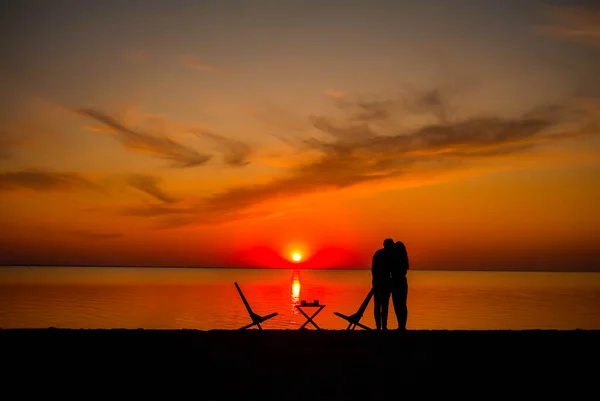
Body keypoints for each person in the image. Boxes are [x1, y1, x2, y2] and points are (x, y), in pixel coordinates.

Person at [371, 238, 395, 330]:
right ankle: (381, 326)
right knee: (380, 305)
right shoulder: (385, 255)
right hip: (381, 283)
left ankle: (381, 326)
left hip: (382, 283)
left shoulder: (379, 254)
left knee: (381, 305)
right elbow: (374, 270)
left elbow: (373, 270)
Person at [391, 241, 410, 330]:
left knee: (398, 304)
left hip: (398, 283)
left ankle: (401, 325)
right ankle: (402, 325)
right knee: (401, 305)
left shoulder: (397, 260)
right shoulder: (404, 259)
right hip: (402, 282)